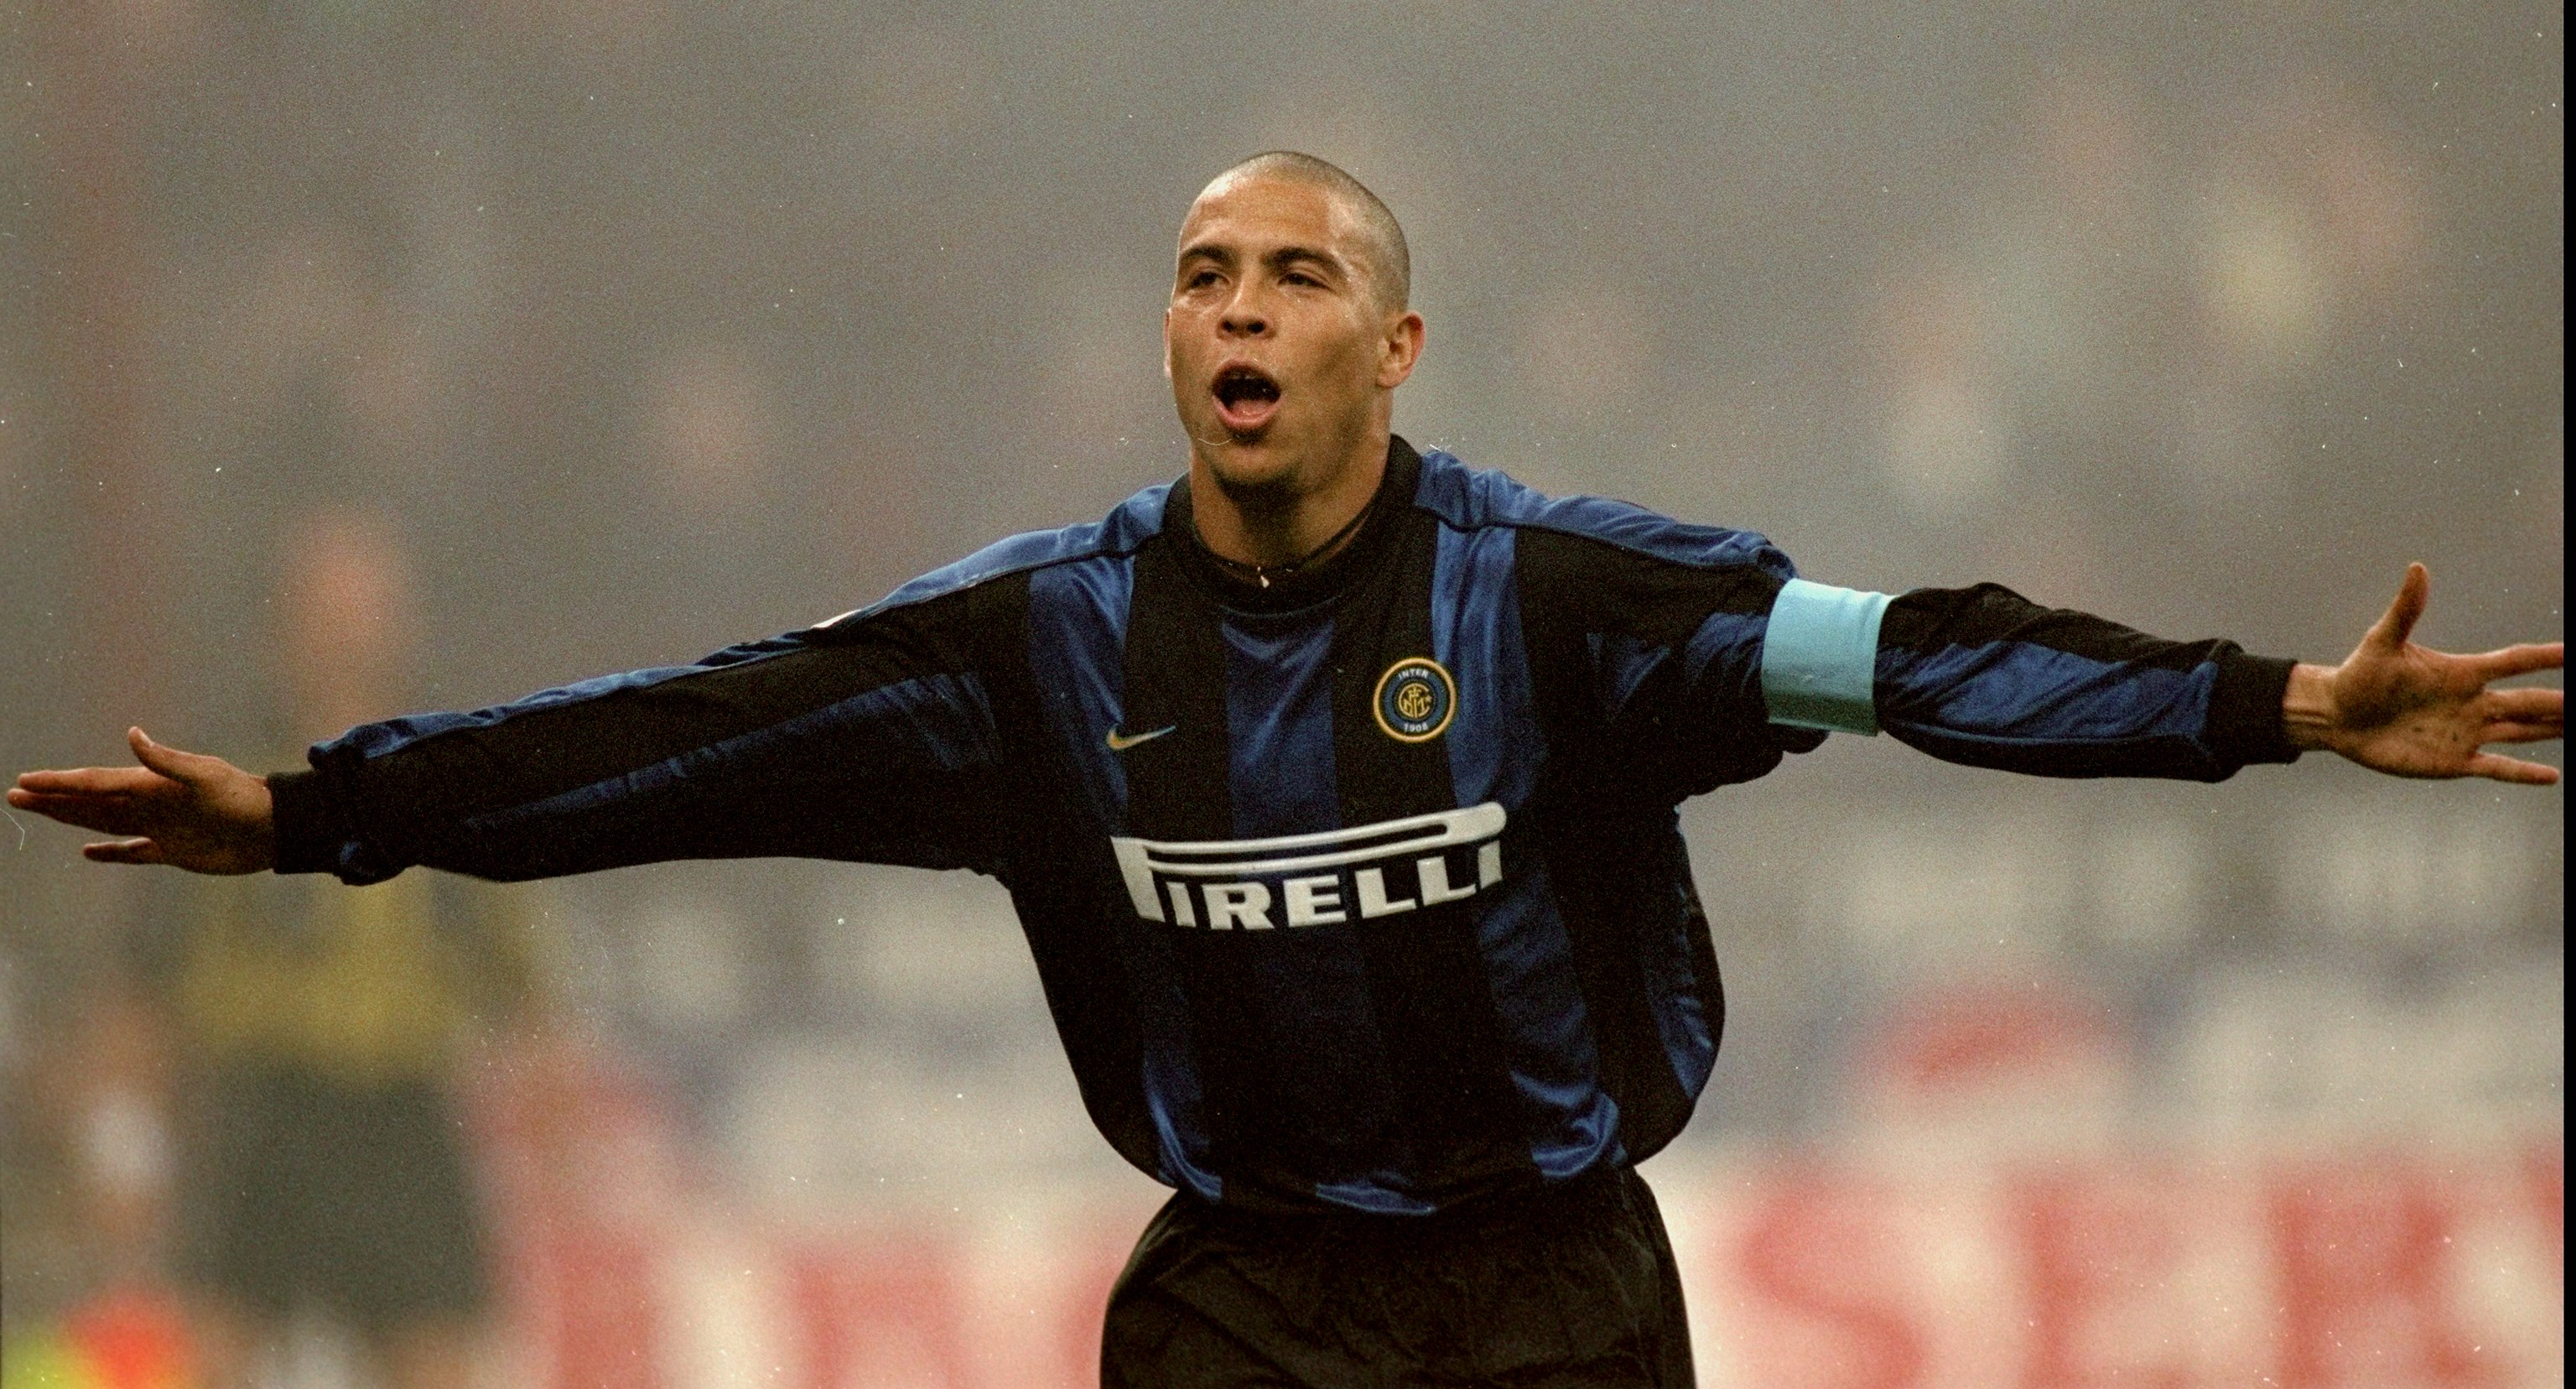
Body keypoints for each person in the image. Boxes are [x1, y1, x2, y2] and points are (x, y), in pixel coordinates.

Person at [13, 152, 2562, 1386]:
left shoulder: (1569, 600)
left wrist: (2273, 704)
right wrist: (323, 811)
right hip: (1243, 1305)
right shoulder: (1035, 645)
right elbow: (681, 742)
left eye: (1297, 272)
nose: (1238, 306)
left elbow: (1919, 658)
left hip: (1560, 1296)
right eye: (1201, 274)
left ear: (1394, 348)